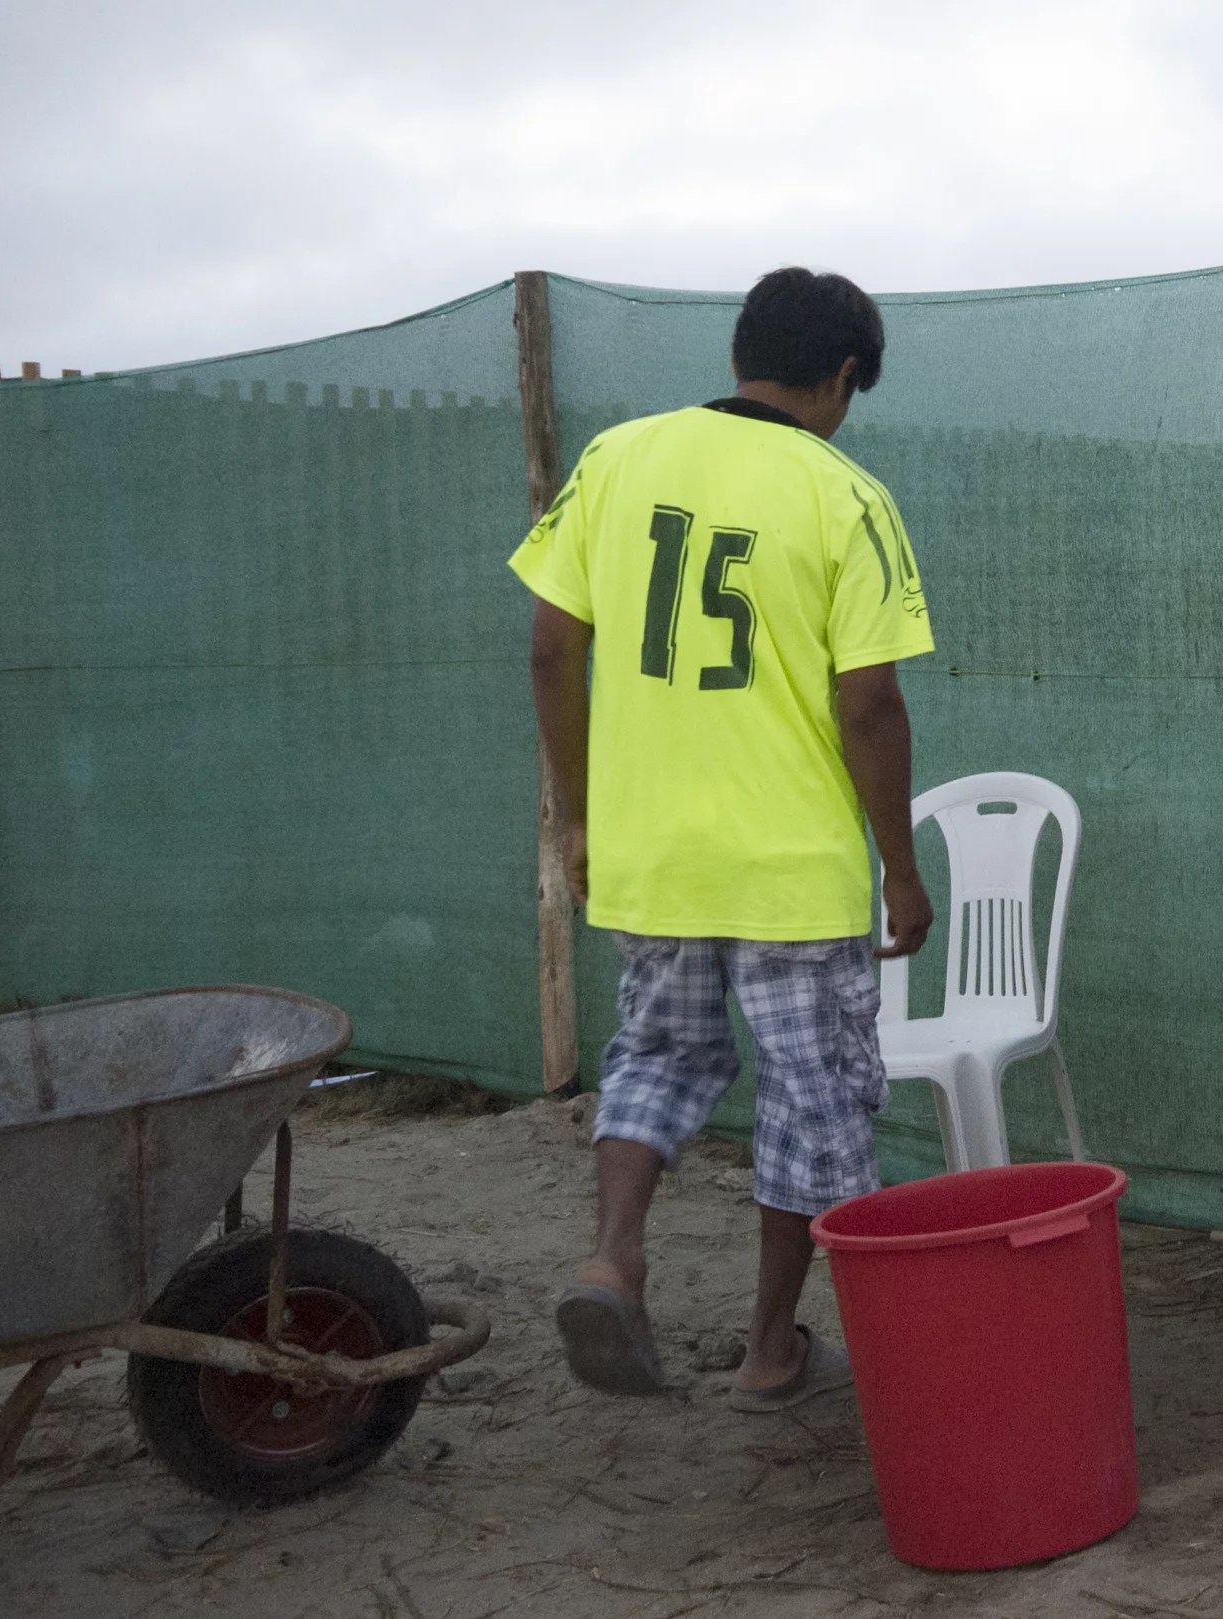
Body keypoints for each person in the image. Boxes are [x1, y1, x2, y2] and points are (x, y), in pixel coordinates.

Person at [511, 266, 936, 1413]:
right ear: (842, 376)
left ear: (743, 350)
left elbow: (552, 648)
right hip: (791, 870)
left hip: (651, 853)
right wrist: (900, 864)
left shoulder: (616, 459)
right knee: (814, 1098)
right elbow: (870, 706)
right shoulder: (846, 495)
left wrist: (587, 814)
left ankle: (614, 1256)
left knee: (656, 1056)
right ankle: (766, 1349)